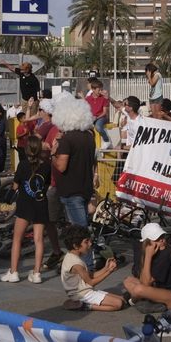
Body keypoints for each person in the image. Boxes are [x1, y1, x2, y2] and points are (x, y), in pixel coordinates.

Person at [52, 96, 98, 266]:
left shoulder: (67, 140)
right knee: (82, 228)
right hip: (84, 188)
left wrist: (52, 155)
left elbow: (62, 166)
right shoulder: (88, 137)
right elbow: (92, 163)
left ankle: (87, 268)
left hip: (71, 191)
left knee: (80, 233)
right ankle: (83, 265)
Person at [2, 136, 51, 283]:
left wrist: (7, 197)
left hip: (25, 204)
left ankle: (14, 271)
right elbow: (46, 185)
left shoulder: (22, 165)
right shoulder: (47, 166)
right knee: (39, 240)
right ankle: (36, 273)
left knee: (17, 239)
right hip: (40, 203)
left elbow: (15, 185)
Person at [122, 221, 171, 311]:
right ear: (147, 243)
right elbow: (140, 277)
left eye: (162, 236)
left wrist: (148, 256)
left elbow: (145, 283)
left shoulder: (166, 253)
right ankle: (146, 301)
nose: (162, 240)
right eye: (157, 238)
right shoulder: (143, 250)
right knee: (127, 281)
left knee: (138, 290)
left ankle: (133, 301)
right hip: (158, 288)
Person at [59, 227, 123, 311]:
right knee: (118, 304)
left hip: (84, 292)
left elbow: (90, 275)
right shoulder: (76, 264)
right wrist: (109, 271)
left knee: (121, 298)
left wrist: (106, 268)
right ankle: (86, 306)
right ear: (76, 246)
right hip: (82, 295)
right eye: (86, 242)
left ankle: (81, 303)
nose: (90, 244)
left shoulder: (72, 256)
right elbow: (91, 282)